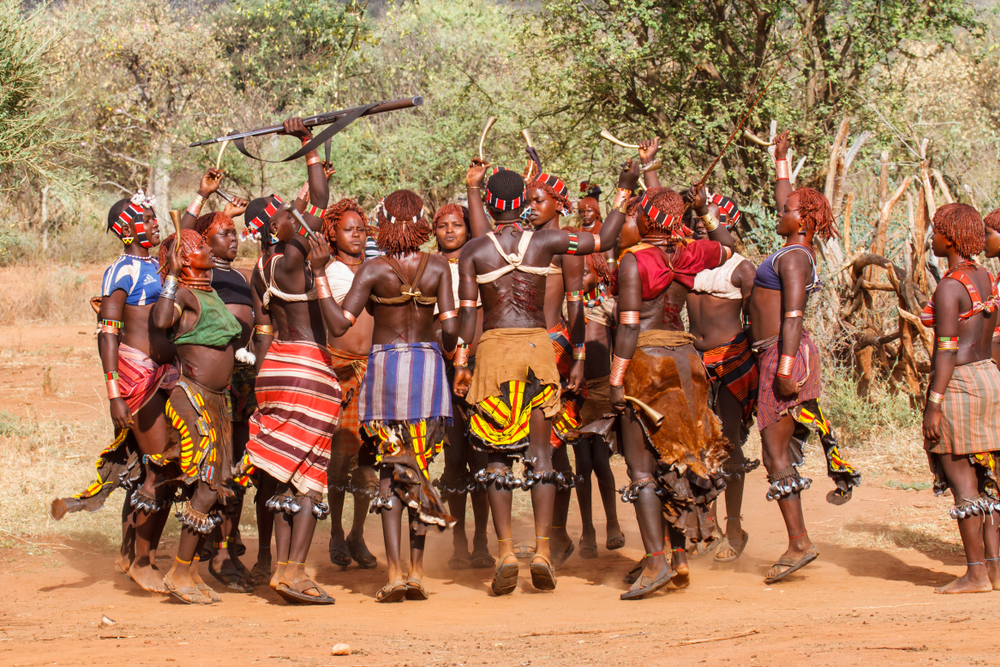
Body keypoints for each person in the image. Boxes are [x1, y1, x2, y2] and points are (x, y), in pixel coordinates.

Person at [454, 162, 634, 595]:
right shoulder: (549, 242)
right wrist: (624, 189)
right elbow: (605, 239)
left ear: (492, 205)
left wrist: (462, 362)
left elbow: (465, 316)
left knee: (495, 457)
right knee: (541, 455)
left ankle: (503, 553)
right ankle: (541, 550)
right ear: (521, 203)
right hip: (538, 352)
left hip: (495, 354)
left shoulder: (474, 252)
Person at [327, 189, 458, 602]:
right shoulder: (438, 267)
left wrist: (317, 277)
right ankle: (418, 573)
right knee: (416, 467)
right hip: (428, 372)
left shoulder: (372, 270)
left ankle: (395, 573)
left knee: (389, 468)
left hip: (384, 372)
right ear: (422, 222)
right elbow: (452, 333)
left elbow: (338, 324)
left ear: (382, 221)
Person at [610, 185, 734, 600]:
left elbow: (628, 328)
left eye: (637, 213)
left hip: (646, 362)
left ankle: (656, 563)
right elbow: (726, 247)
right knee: (677, 461)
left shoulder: (634, 262)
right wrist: (707, 210)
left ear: (647, 220)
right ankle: (678, 559)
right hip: (686, 362)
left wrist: (615, 380)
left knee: (642, 469)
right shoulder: (687, 253)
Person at [51, 191, 177, 595]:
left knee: (150, 470)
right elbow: (107, 335)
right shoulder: (120, 272)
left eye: (156, 216)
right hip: (135, 380)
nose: (156, 223)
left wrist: (202, 197)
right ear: (127, 230)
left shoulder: (157, 264)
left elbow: (187, 232)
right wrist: (113, 393)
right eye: (148, 218)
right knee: (159, 469)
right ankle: (141, 561)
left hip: (162, 375)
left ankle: (133, 557)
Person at [242, 117, 338, 604]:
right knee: (310, 477)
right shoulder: (294, 261)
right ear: (277, 230)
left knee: (281, 472)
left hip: (273, 367)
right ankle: (295, 570)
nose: (296, 214)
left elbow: (263, 328)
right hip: (306, 367)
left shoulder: (258, 269)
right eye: (286, 214)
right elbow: (319, 201)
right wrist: (308, 142)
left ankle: (280, 569)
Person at [750, 131, 844, 584]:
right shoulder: (796, 249)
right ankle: (797, 540)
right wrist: (781, 159)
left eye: (787, 210)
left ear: (802, 220)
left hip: (783, 353)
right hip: (778, 351)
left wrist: (784, 368)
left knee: (774, 451)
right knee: (775, 450)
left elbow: (792, 316)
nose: (780, 209)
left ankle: (799, 542)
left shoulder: (794, 259)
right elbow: (788, 196)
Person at [150, 229, 243, 604]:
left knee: (217, 487)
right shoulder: (184, 293)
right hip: (193, 398)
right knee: (206, 484)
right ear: (186, 258)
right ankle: (178, 569)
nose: (209, 248)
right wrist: (172, 275)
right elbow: (160, 320)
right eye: (201, 246)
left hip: (219, 402)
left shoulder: (210, 292)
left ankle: (187, 572)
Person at [920, 203, 1000, 594]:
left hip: (961, 384)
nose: (931, 238)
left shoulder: (950, 286)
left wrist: (934, 403)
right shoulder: (985, 276)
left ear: (949, 238)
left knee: (961, 477)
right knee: (988, 478)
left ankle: (974, 573)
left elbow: (947, 350)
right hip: (990, 377)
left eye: (935, 232)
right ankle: (995, 569)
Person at [192, 206, 262, 593]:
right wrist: (201, 199)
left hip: (244, 377)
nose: (233, 238)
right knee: (219, 465)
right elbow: (179, 240)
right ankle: (218, 552)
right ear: (204, 240)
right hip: (215, 379)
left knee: (239, 466)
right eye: (223, 233)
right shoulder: (199, 274)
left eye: (234, 232)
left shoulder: (241, 275)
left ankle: (227, 545)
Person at [685, 194, 758, 563]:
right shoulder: (689, 260)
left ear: (730, 223)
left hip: (730, 361)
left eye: (712, 218)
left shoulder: (742, 268)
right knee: (699, 446)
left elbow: (755, 321)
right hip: (695, 362)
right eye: (699, 217)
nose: (702, 222)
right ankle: (705, 525)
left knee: (728, 444)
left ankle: (733, 526)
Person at [525, 171, 587, 566]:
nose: (531, 208)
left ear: (559, 205)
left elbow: (576, 303)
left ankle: (558, 534)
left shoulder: (567, 248)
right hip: (523, 348)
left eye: (538, 201)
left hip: (556, 346)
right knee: (531, 443)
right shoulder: (526, 242)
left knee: (555, 442)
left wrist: (579, 355)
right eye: (528, 201)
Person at [432, 202, 494, 571]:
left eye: (457, 224)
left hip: (480, 365)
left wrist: (468, 357)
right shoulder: (430, 266)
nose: (450, 231)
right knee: (454, 458)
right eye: (443, 225)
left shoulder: (480, 261)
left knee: (482, 453)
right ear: (433, 230)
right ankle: (457, 542)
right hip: (441, 366)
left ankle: (483, 540)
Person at [321, 198, 379, 571]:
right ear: (333, 234)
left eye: (361, 229)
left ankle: (358, 531)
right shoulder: (329, 273)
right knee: (340, 458)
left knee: (370, 460)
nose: (356, 234)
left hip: (374, 371)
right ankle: (336, 532)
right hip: (340, 370)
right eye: (348, 229)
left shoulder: (377, 269)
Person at [568, 221, 625, 559]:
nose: (576, 274)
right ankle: (588, 527)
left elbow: (621, 345)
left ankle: (612, 522)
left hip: (603, 391)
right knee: (582, 463)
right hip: (576, 394)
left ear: (598, 270)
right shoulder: (568, 305)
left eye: (582, 268)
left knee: (600, 460)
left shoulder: (607, 306)